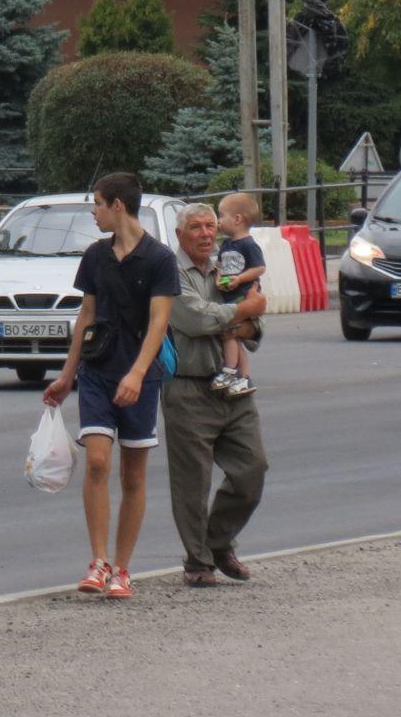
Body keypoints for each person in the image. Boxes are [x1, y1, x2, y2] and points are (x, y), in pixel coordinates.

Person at [42, 171, 179, 601]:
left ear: (117, 205)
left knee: (133, 474)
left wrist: (138, 373)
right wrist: (67, 374)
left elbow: (159, 321)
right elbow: (85, 316)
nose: (94, 212)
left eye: (97, 204)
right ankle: (98, 562)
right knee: (98, 461)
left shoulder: (159, 258)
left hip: (141, 374)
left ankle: (123, 568)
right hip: (98, 372)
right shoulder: (96, 256)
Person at [164, 199, 271, 588]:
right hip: (189, 388)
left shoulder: (231, 263)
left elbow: (257, 322)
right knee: (192, 482)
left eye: (211, 226)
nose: (207, 234)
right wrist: (240, 316)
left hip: (235, 389)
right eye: (196, 227)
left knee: (252, 468)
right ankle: (198, 562)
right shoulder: (170, 272)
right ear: (180, 235)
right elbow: (192, 318)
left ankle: (218, 541)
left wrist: (243, 319)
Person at [213, 195, 268, 397]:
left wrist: (239, 279)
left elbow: (260, 268)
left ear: (237, 219)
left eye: (221, 216)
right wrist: (219, 279)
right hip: (229, 296)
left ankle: (229, 371)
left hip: (243, 297)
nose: (218, 221)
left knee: (229, 333)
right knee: (233, 337)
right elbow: (219, 266)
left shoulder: (248, 245)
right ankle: (244, 377)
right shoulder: (226, 244)